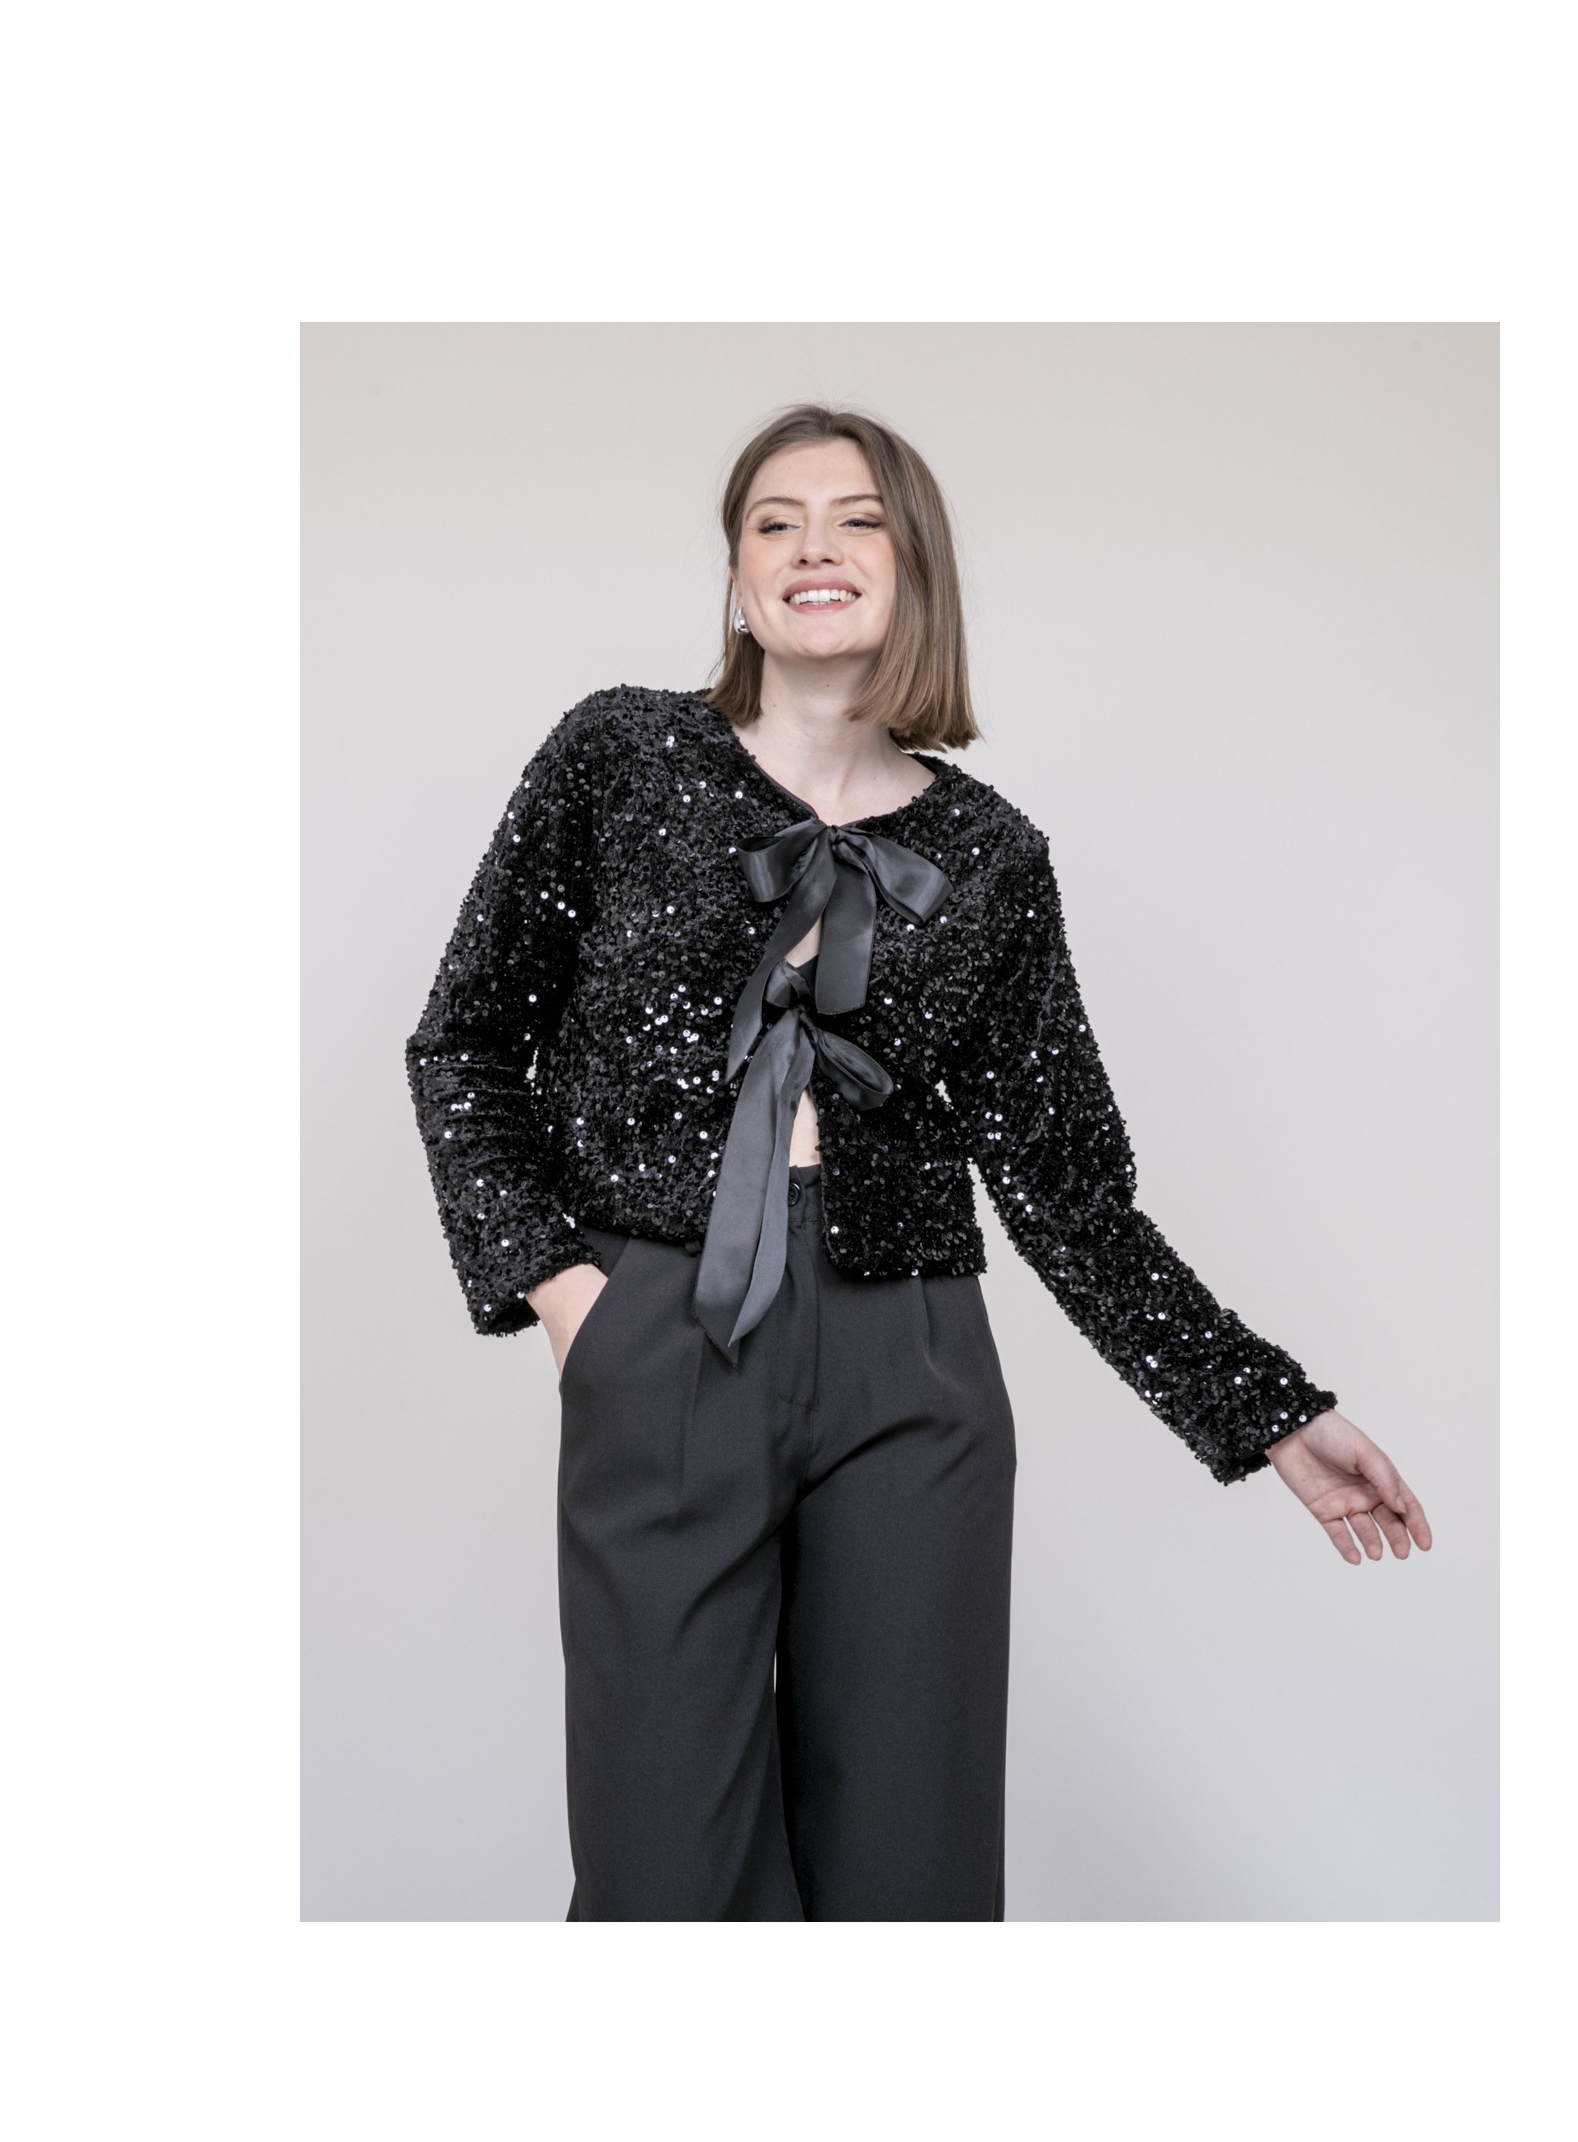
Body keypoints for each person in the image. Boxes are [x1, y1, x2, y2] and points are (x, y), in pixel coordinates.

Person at [405, 402, 1432, 1922]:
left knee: (912, 1866)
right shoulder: (617, 755)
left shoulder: (995, 855)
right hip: (668, 1325)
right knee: (661, 1869)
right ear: (738, 576)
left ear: (916, 568)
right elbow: (466, 1040)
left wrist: (1270, 1410)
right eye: (774, 522)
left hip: (915, 1360)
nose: (812, 547)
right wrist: (567, 1295)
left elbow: (1069, 1191)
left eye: (857, 520)